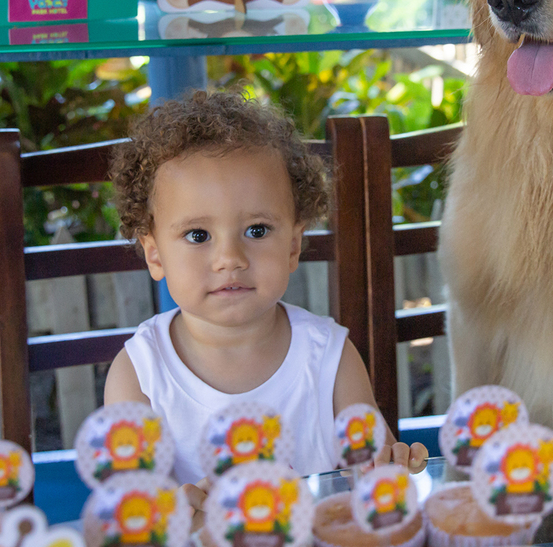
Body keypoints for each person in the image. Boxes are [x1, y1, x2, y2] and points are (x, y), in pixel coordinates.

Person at [104, 90, 428, 507]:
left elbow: (375, 487)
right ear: (154, 254)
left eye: (257, 230)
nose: (230, 259)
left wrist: (389, 469)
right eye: (197, 235)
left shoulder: (329, 359)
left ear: (294, 245)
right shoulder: (140, 377)